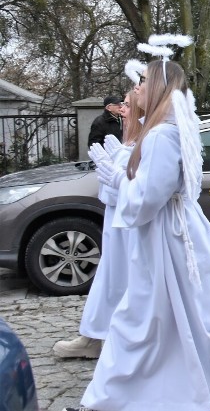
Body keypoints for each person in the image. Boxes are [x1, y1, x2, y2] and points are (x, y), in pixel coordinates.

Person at [65, 58, 210, 411]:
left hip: (169, 240)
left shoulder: (164, 134)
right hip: (171, 237)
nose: (139, 88)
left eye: (145, 82)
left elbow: (150, 197)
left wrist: (118, 178)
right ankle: (103, 401)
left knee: (152, 319)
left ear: (160, 89)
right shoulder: (171, 129)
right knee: (168, 320)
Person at [54, 90, 143, 359]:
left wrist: (116, 174)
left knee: (121, 285)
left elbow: (134, 193)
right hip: (117, 229)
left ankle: (108, 340)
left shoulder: (147, 142)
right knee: (109, 283)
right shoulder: (129, 140)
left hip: (129, 230)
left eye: (127, 106)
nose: (122, 110)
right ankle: (93, 336)